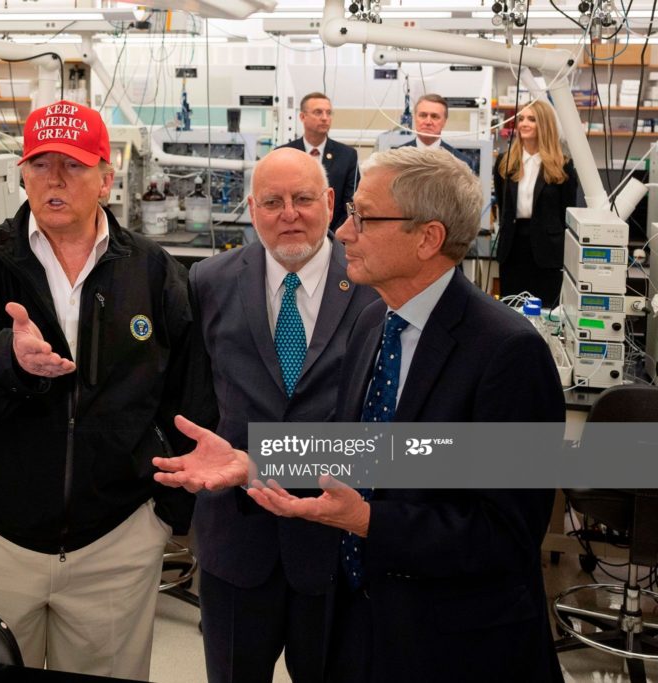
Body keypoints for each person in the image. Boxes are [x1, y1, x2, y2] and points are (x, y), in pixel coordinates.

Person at [156, 147, 565, 683]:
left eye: (363, 217)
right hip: (364, 624)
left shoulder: (508, 353)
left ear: (428, 238)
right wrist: (250, 463)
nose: (344, 232)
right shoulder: (379, 326)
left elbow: (503, 535)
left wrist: (366, 520)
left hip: (453, 643)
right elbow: (377, 454)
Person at [0, 100, 199, 680]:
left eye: (73, 164)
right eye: (40, 164)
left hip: (115, 538)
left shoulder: (153, 269)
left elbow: (187, 391)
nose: (55, 180)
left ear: (106, 175)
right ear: (22, 172)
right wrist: (7, 358)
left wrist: (165, 511)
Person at [188, 147, 378, 682]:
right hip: (236, 541)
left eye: (302, 199)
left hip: (334, 541)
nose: (288, 214)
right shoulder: (208, 281)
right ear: (252, 209)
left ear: (331, 202)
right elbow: (195, 399)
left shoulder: (373, 287)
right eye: (272, 201)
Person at [494, 99, 580, 307]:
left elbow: (566, 214)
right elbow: (502, 204)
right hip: (513, 248)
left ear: (545, 124)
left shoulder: (563, 165)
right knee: (512, 310)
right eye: (521, 118)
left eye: (531, 119)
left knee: (546, 309)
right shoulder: (505, 162)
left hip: (547, 251)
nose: (524, 123)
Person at [279, 92, 358, 232]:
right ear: (302, 117)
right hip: (292, 230)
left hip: (335, 234)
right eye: (318, 112)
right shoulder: (283, 154)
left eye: (328, 113)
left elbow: (351, 202)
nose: (325, 118)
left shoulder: (347, 156)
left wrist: (337, 233)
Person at [397, 94, 478, 175]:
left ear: (444, 122)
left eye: (434, 116)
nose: (428, 122)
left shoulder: (461, 163)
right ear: (415, 118)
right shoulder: (397, 158)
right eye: (423, 115)